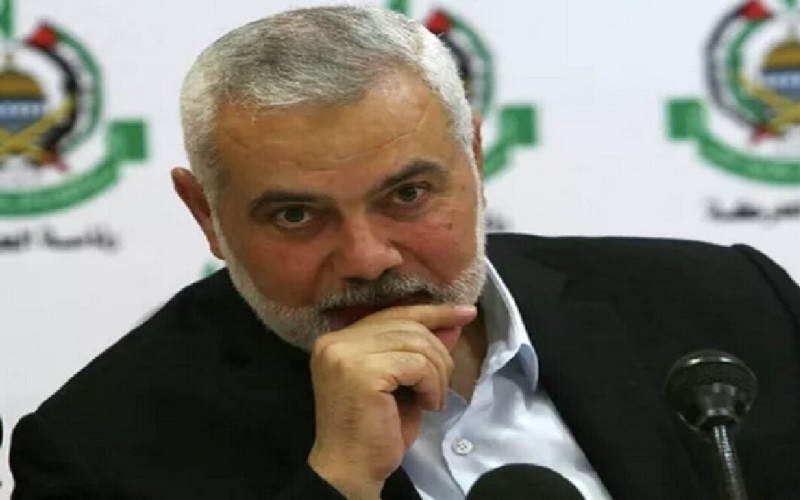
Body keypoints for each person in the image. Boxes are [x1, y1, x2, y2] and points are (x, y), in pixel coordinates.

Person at [9, 5, 800, 500]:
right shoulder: (100, 451)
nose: (367, 257)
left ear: (475, 160)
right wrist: (337, 481)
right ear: (206, 215)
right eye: (295, 215)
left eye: (408, 195)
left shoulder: (729, 306)